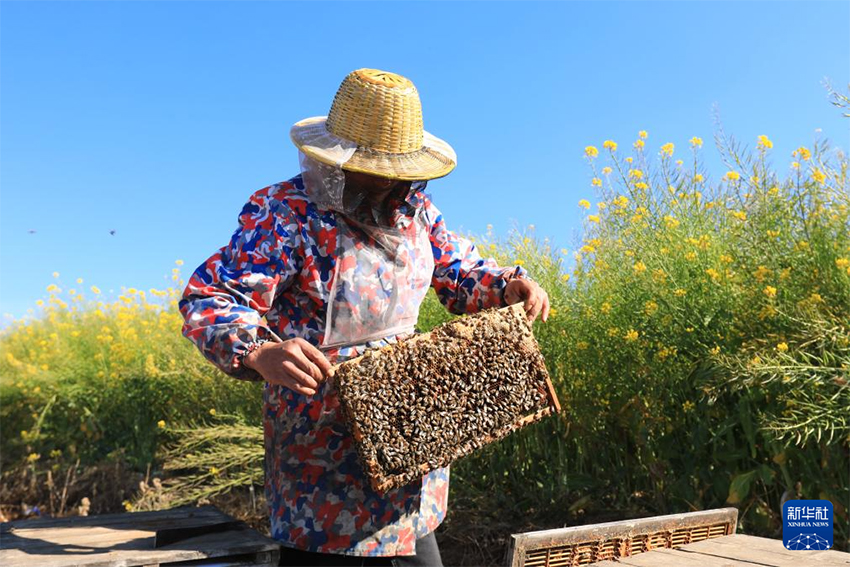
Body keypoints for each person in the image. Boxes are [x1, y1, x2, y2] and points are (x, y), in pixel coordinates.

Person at [178, 68, 550, 567]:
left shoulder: (416, 212)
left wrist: (504, 285)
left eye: (392, 173)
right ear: (338, 158)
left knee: (417, 547)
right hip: (321, 461)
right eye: (372, 170)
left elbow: (457, 269)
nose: (383, 184)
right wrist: (260, 351)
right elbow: (212, 296)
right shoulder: (285, 211)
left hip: (410, 438)